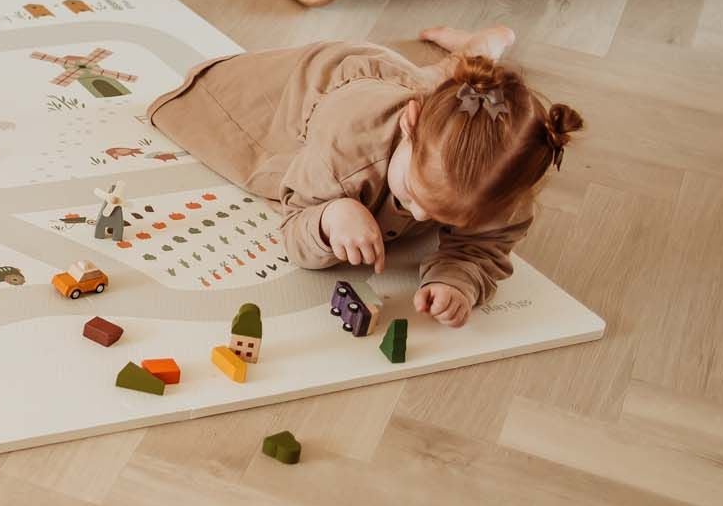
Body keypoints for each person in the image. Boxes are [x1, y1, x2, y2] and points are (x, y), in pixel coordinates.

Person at [147, 25, 582, 327]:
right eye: (412, 195)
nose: (417, 214)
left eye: (442, 216)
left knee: (459, 86)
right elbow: (295, 226)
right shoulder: (347, 144)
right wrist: (331, 214)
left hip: (419, 98)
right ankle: (474, 50)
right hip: (313, 89)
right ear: (411, 123)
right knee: (431, 86)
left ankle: (481, 46)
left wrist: (458, 281)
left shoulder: (502, 191)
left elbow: (482, 250)